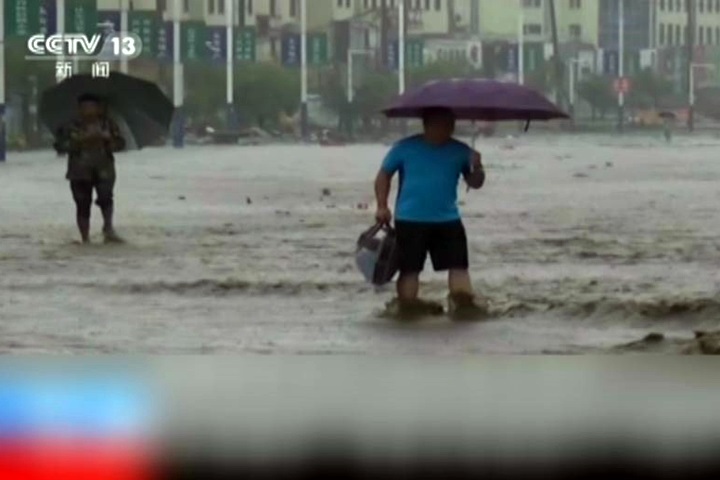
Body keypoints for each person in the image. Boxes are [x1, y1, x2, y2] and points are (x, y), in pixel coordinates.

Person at [374, 107, 487, 318]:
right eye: (442, 124)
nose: (447, 129)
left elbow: (475, 183)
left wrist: (477, 167)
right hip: (410, 219)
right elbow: (383, 175)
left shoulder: (461, 151)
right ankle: (407, 307)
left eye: (450, 124)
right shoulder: (404, 148)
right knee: (409, 269)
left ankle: (463, 308)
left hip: (448, 219)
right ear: (428, 124)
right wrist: (382, 206)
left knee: (459, 266)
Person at [54, 94, 126, 244]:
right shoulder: (70, 126)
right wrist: (81, 140)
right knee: (82, 203)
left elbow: (121, 144)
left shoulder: (108, 124)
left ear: (99, 108)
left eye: (92, 107)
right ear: (79, 109)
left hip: (104, 168)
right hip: (79, 171)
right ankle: (85, 238)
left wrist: (107, 139)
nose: (89, 111)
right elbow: (60, 147)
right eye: (85, 107)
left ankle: (108, 228)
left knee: (106, 198)